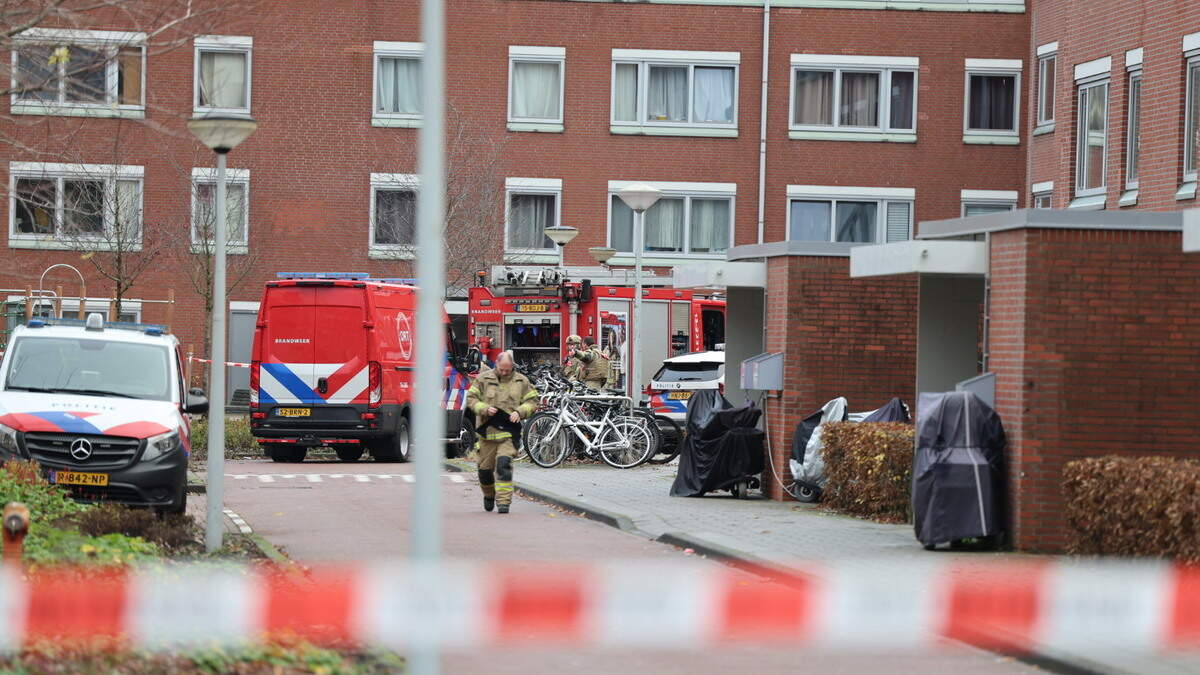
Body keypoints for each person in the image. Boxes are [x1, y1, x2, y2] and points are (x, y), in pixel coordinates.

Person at [465, 350, 538, 514]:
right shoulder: (483, 379)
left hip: (509, 434)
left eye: (508, 369)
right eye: (502, 369)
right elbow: (471, 399)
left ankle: (504, 502)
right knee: (484, 471)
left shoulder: (521, 381)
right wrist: (483, 408)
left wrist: (520, 411)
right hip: (487, 434)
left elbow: (532, 400)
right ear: (496, 364)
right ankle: (489, 495)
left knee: (504, 465)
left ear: (512, 366)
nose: (504, 372)